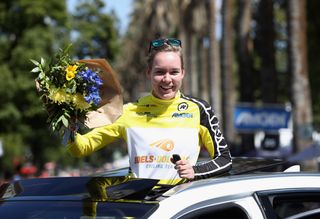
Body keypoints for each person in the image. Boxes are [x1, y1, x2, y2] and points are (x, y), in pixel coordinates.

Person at [67, 38, 232, 185]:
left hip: (181, 209)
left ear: (183, 73)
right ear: (149, 73)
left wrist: (195, 171)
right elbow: (81, 148)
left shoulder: (199, 109)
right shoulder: (128, 112)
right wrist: (66, 120)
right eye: (160, 72)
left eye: (174, 72)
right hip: (141, 210)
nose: (167, 79)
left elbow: (224, 160)